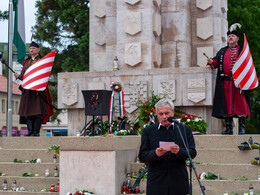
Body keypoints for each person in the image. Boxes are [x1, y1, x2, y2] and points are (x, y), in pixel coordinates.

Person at [138, 98, 197, 195]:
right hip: (156, 183)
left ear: (172, 113)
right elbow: (142, 155)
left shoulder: (183, 129)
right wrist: (155, 153)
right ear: (157, 115)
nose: (164, 116)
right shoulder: (148, 131)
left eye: (167, 113)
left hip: (179, 182)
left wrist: (179, 151)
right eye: (161, 114)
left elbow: (192, 153)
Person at [207, 23, 251, 135]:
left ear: (237, 38)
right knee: (226, 106)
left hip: (239, 83)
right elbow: (216, 62)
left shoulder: (242, 50)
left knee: (241, 105)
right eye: (229, 36)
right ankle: (229, 128)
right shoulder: (222, 51)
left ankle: (242, 128)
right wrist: (212, 62)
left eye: (232, 36)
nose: (230, 38)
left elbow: (248, 65)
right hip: (225, 83)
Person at [14, 41, 53, 136]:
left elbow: (44, 75)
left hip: (37, 90)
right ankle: (30, 131)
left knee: (38, 112)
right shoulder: (26, 62)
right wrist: (18, 76)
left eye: (33, 48)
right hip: (27, 91)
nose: (31, 50)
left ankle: (36, 132)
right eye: (30, 48)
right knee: (27, 112)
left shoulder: (42, 61)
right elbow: (25, 76)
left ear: (38, 50)